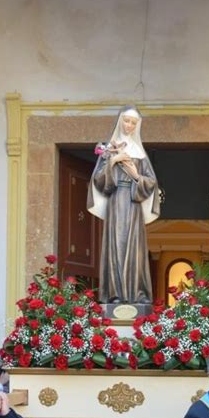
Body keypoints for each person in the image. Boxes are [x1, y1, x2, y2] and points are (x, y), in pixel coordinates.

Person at [87, 105, 160, 305]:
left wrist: (136, 175)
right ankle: (115, 295)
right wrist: (113, 161)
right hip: (116, 201)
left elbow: (151, 181)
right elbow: (99, 181)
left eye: (133, 123)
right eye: (126, 121)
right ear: (120, 121)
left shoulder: (139, 153)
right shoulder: (109, 149)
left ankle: (136, 295)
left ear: (137, 126)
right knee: (116, 245)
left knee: (134, 248)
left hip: (133, 202)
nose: (129, 126)